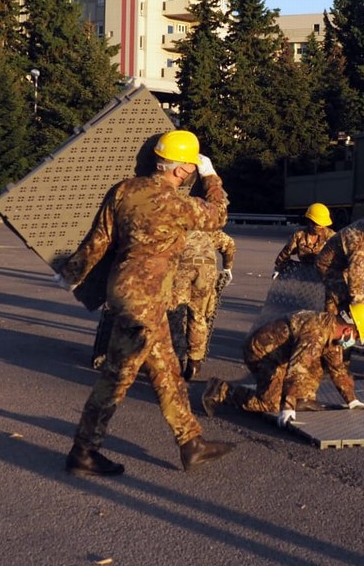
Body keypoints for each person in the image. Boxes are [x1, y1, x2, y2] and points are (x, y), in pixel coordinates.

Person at [55, 130, 236, 476]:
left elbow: (100, 237)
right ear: (182, 170)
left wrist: (71, 272)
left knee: (166, 369)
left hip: (128, 292)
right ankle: (83, 451)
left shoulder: (124, 190)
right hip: (145, 300)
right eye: (190, 168)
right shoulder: (177, 204)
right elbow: (218, 215)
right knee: (117, 377)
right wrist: (212, 177)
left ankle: (191, 443)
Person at [201, 304, 364, 427]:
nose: (354, 342)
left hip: (284, 355)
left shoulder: (332, 333)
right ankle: (219, 390)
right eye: (356, 337)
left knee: (318, 366)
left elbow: (338, 369)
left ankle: (302, 397)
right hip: (262, 353)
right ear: (348, 330)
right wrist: (288, 406)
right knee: (269, 404)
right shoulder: (316, 334)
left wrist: (352, 400)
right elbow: (297, 368)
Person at [169, 228, 236, 382]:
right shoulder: (209, 230)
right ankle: (194, 362)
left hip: (182, 268)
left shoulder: (177, 227)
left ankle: (177, 360)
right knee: (198, 315)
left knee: (175, 314)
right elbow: (229, 244)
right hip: (207, 269)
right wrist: (227, 267)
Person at [272, 202, 335, 279]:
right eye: (317, 224)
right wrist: (278, 268)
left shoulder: (331, 236)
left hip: (324, 275)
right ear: (310, 222)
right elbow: (286, 252)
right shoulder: (299, 236)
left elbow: (341, 255)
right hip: (305, 273)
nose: (321, 227)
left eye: (323, 225)